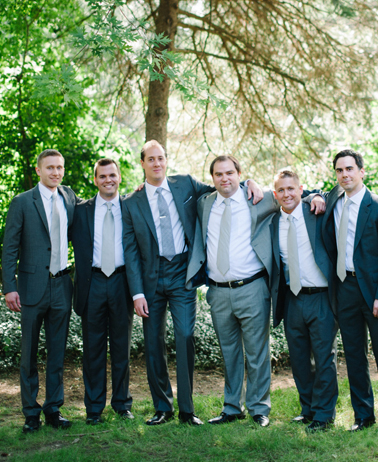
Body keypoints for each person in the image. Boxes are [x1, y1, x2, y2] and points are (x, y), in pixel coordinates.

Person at [122, 140, 262, 426]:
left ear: (166, 160)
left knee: (185, 336)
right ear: (143, 163)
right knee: (153, 343)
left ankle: (186, 410)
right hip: (150, 280)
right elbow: (131, 251)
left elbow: (222, 186)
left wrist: (249, 181)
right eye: (151, 159)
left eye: (161, 158)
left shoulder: (185, 184)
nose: (157, 163)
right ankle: (163, 407)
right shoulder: (132, 202)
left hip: (181, 274)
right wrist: (137, 292)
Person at [188, 154, 281, 427]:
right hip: (217, 292)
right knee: (229, 353)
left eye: (230, 173)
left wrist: (317, 198)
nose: (224, 178)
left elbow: (293, 194)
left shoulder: (259, 199)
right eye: (218, 174)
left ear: (239, 174)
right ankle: (232, 407)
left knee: (257, 352)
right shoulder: (204, 204)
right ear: (212, 178)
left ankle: (259, 408)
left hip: (252, 288)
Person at [322, 149, 378, 434]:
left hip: (375, 292)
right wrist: (318, 196)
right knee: (354, 354)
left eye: (350, 169)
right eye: (340, 170)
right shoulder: (333, 200)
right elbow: (315, 194)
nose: (345, 174)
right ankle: (363, 414)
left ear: (361, 171)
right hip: (345, 289)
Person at [1, 149, 75, 433]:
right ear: (38, 170)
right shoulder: (22, 202)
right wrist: (10, 287)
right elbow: (9, 247)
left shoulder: (69, 197)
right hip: (31, 287)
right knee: (29, 353)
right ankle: (31, 412)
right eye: (50, 168)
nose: (56, 172)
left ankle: (53, 409)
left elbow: (98, 204)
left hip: (61, 285)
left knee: (57, 353)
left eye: (59, 168)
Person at [270, 168, 338, 432]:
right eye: (281, 190)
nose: (286, 194)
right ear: (275, 194)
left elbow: (336, 194)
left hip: (321, 297)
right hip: (292, 300)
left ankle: (324, 413)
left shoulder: (315, 214)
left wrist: (317, 195)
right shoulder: (273, 222)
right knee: (298, 359)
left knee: (324, 359)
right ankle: (308, 409)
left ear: (300, 190)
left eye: (291, 188)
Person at [69, 157, 133, 424]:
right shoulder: (81, 210)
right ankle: (94, 408)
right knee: (93, 349)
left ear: (119, 177)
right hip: (92, 283)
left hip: (122, 282)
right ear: (95, 180)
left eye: (112, 175)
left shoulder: (131, 207)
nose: (108, 180)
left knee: (121, 348)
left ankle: (121, 404)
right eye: (103, 176)